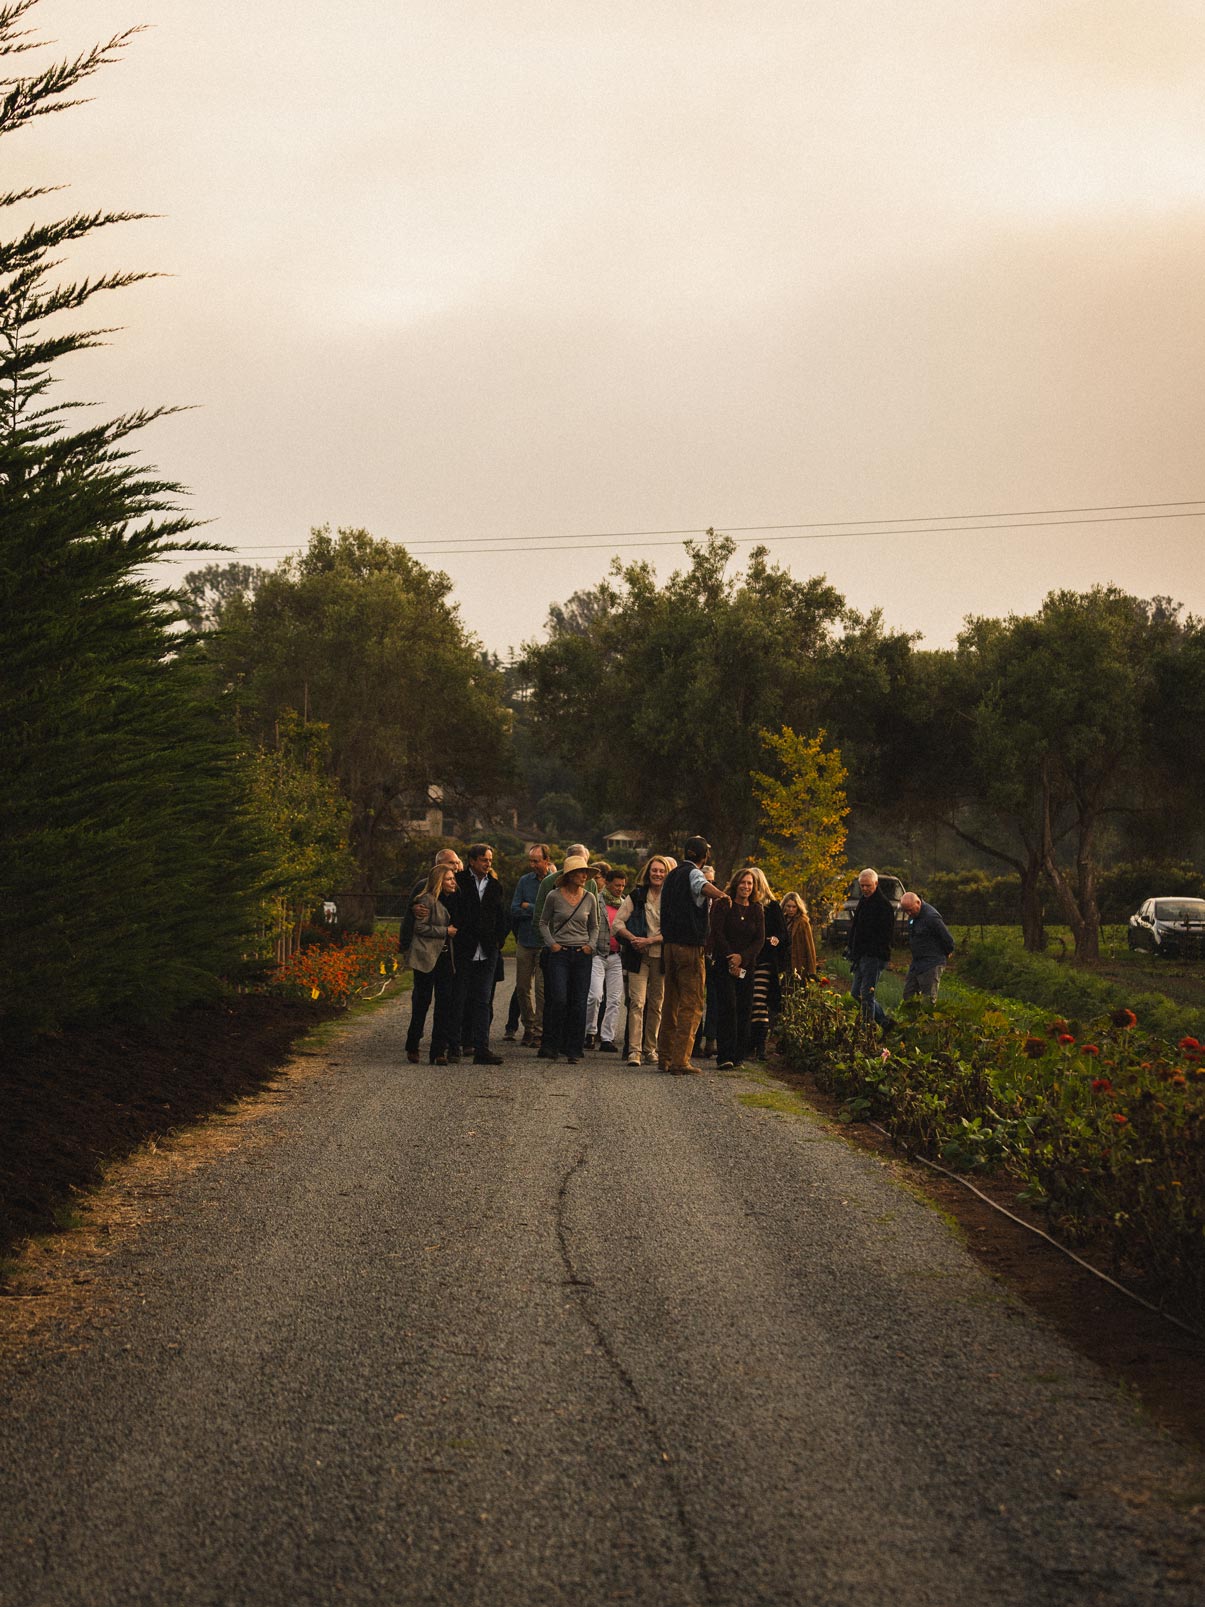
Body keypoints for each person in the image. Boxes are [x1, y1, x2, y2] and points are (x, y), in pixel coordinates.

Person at [656, 835, 728, 1075]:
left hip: (669, 945)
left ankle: (665, 1057)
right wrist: (722, 896)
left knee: (671, 1002)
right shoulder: (694, 873)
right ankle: (680, 1061)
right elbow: (702, 886)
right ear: (704, 856)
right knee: (692, 1003)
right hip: (690, 946)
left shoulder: (672, 875)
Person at [449, 843, 508, 1065]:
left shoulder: (495, 885)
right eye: (484, 859)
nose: (488, 863)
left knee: (483, 1000)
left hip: (487, 950)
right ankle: (454, 1046)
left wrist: (498, 940)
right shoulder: (459, 882)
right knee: (459, 998)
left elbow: (501, 915)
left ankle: (481, 1048)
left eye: (490, 860)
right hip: (464, 949)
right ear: (472, 861)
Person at [539, 855, 599, 1063]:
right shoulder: (554, 896)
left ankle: (574, 1049)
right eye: (581, 872)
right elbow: (543, 922)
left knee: (579, 1002)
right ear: (570, 875)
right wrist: (552, 944)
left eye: (586, 872)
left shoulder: (589, 898)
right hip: (560, 953)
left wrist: (590, 946)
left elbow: (595, 926)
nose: (584, 876)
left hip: (582, 954)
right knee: (559, 999)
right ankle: (553, 1044)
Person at [613, 854, 669, 1067]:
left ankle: (650, 1049)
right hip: (639, 957)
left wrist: (651, 940)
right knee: (637, 1003)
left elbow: (674, 930)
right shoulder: (636, 895)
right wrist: (633, 939)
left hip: (660, 957)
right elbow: (617, 924)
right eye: (654, 870)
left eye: (661, 871)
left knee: (656, 1005)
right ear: (648, 872)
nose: (658, 874)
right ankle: (634, 1051)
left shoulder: (671, 898)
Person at [709, 869, 766, 1069]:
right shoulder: (724, 905)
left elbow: (759, 939)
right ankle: (724, 1055)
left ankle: (738, 1055)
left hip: (746, 966)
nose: (746, 887)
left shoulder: (757, 909)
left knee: (744, 1008)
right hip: (724, 964)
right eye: (743, 882)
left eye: (750, 883)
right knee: (728, 1007)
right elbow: (717, 932)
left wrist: (742, 958)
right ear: (736, 884)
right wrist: (731, 958)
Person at [406, 864, 459, 1065]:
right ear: (439, 881)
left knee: (444, 1004)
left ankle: (438, 1051)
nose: (453, 882)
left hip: (445, 958)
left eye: (453, 878)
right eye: (449, 879)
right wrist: (444, 931)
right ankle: (412, 1044)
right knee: (422, 1002)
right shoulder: (426, 900)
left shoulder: (454, 899)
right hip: (427, 957)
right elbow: (420, 927)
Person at [510, 842, 555, 1046]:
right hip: (525, 940)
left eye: (536, 861)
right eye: (531, 861)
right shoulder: (524, 881)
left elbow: (553, 912)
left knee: (542, 990)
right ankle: (528, 1025)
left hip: (545, 942)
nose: (533, 865)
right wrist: (537, 910)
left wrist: (529, 907)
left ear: (547, 860)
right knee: (522, 987)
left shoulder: (554, 883)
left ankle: (539, 1030)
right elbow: (514, 909)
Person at [746, 866, 786, 1059]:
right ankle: (751, 1043)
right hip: (747, 959)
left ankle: (759, 1044)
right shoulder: (745, 905)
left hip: (764, 959)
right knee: (749, 1000)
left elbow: (782, 932)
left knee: (759, 999)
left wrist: (775, 939)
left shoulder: (772, 906)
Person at [847, 867, 894, 1028]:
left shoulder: (883, 906)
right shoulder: (864, 901)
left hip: (874, 956)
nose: (865, 889)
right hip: (861, 955)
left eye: (868, 885)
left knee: (867, 994)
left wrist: (869, 951)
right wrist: (852, 948)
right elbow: (856, 928)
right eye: (862, 886)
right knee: (856, 993)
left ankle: (867, 1030)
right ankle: (885, 1022)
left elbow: (885, 936)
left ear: (876, 884)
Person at [588, 866, 627, 1052]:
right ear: (608, 883)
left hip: (616, 955)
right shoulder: (596, 900)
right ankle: (589, 1032)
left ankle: (607, 1038)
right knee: (595, 996)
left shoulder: (624, 904)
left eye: (623, 886)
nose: (620, 889)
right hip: (598, 954)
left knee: (614, 999)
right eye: (617, 885)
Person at [399, 846, 463, 956]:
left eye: (457, 863)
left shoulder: (459, 887)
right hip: (427, 948)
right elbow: (411, 919)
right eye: (451, 863)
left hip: (452, 947)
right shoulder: (424, 886)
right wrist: (406, 945)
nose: (456, 866)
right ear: (438, 864)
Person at [899, 891, 955, 1002]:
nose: (909, 913)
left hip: (932, 962)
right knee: (908, 995)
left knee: (928, 999)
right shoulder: (913, 916)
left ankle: (927, 1014)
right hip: (917, 962)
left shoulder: (931, 917)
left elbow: (947, 938)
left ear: (918, 903)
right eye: (906, 911)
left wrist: (948, 952)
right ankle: (912, 1013)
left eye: (910, 910)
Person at [780, 891, 818, 984]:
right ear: (784, 906)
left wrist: (812, 970)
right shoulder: (782, 920)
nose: (791, 909)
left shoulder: (802, 922)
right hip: (783, 962)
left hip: (798, 962)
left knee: (797, 987)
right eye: (788, 906)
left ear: (798, 907)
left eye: (794, 907)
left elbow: (809, 946)